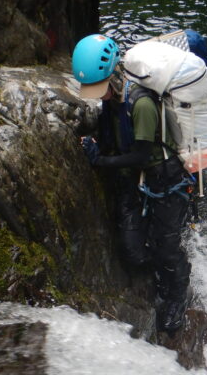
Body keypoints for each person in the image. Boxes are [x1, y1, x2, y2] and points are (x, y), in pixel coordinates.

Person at [71, 33, 194, 336]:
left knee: (165, 249)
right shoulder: (112, 100)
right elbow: (116, 138)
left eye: (99, 89)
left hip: (165, 178)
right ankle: (159, 268)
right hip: (137, 178)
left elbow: (140, 155)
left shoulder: (140, 103)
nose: (96, 95)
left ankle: (178, 293)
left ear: (113, 75)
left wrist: (99, 161)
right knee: (134, 252)